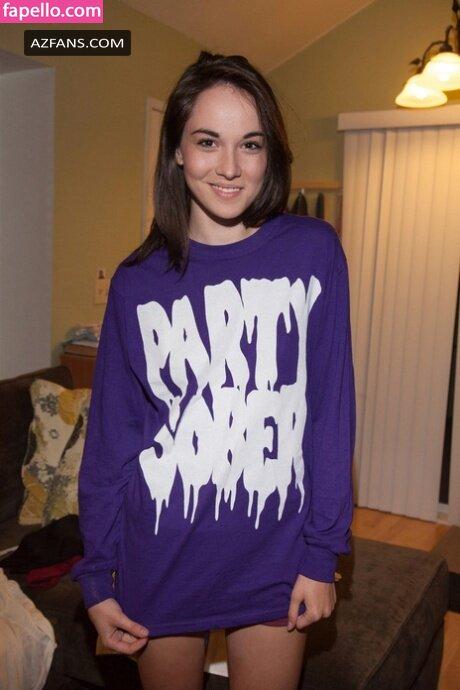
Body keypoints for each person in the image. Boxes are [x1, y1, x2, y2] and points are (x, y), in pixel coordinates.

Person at [70, 50, 356, 690]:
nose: (229, 167)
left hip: (276, 551)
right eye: (207, 142)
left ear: (269, 154)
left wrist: (322, 552)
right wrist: (97, 576)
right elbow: (113, 439)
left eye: (249, 144)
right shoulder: (137, 282)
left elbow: (329, 416)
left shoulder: (312, 251)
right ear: (176, 150)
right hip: (160, 551)